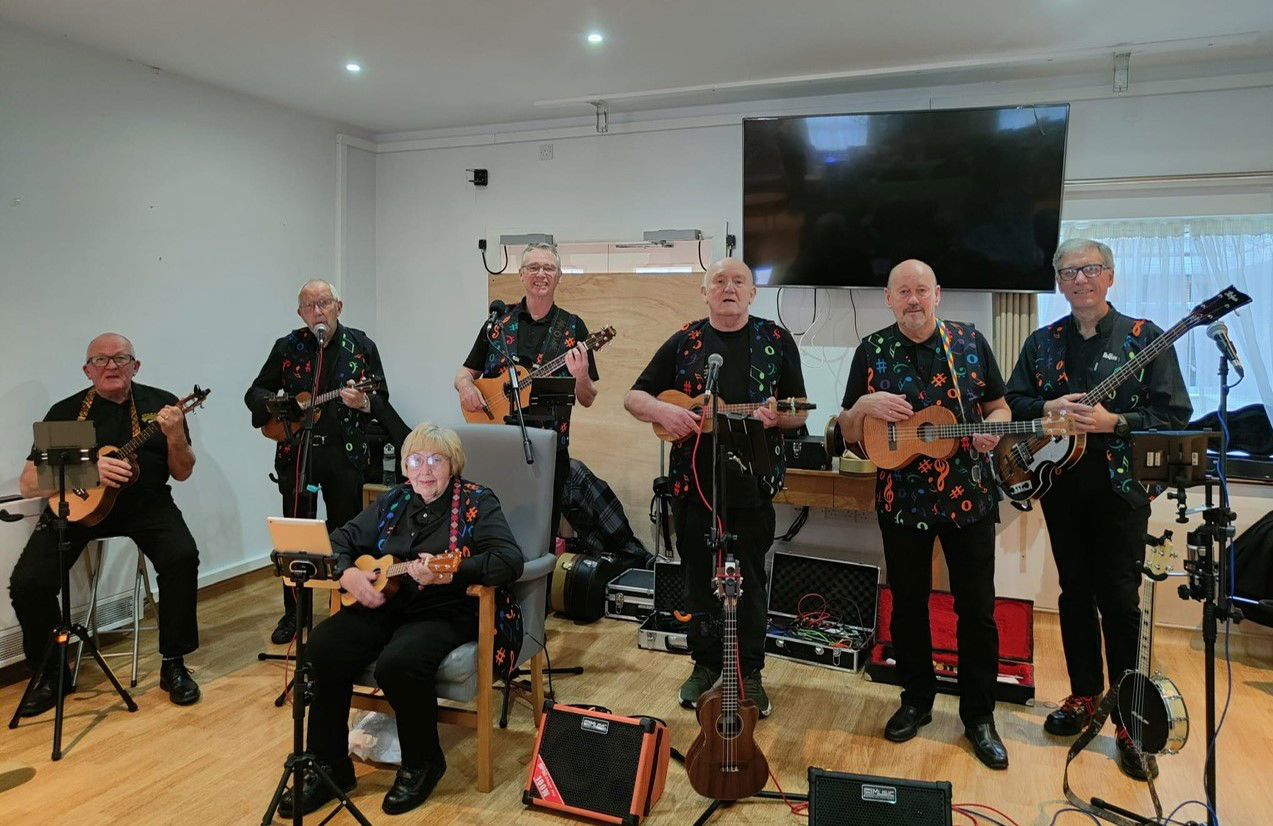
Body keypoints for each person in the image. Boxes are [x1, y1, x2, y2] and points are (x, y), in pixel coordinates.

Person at [1005, 238, 1191, 780]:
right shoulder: (1041, 343)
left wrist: (1117, 423)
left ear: (1110, 276)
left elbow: (1175, 415)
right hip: (1060, 489)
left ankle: (1130, 718)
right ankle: (1085, 694)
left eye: (1089, 269)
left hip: (1120, 494)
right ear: (1059, 282)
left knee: (1120, 602)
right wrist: (1047, 405)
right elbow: (1014, 400)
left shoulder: (1146, 339)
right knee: (1074, 595)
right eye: (1068, 272)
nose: (1079, 279)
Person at [279, 422, 522, 817]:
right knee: (322, 647)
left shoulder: (478, 501)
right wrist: (347, 573)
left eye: (435, 460)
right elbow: (340, 540)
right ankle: (330, 766)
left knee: (399, 662)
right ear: (405, 466)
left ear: (453, 464)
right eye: (415, 460)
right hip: (387, 604)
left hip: (445, 609)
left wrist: (454, 571)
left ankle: (423, 762)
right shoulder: (394, 500)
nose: (424, 470)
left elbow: (509, 560)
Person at [837, 259, 1010, 769]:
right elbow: (847, 430)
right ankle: (916, 700)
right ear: (889, 299)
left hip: (969, 499)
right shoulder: (871, 350)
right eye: (903, 292)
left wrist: (994, 428)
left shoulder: (969, 342)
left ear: (938, 294)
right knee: (907, 606)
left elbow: (1000, 407)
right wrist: (863, 406)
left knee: (976, 610)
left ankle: (979, 716)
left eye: (921, 290)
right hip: (902, 502)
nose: (913, 299)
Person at [624, 257, 807, 717]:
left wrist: (777, 418)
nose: (729, 288)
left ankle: (750, 673)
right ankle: (705, 666)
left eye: (738, 281)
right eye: (719, 281)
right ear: (705, 292)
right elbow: (634, 397)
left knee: (750, 582)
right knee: (698, 581)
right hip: (694, 487)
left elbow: (799, 411)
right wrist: (663, 412)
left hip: (752, 485)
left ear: (752, 293)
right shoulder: (684, 341)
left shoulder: (776, 340)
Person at [9, 333, 201, 714]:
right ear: (87, 370)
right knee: (28, 583)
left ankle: (173, 663)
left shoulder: (161, 406)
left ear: (136, 366)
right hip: (79, 511)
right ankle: (52, 673)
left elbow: (182, 472)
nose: (111, 366)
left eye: (121, 358)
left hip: (147, 504)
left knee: (182, 556)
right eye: (100, 360)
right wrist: (89, 471)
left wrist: (176, 436)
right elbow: (29, 482)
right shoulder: (68, 412)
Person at [456, 242, 646, 560]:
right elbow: (465, 372)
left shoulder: (572, 328)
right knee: (489, 526)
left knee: (540, 533)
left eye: (548, 268)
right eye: (533, 267)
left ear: (559, 276)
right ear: (521, 275)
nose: (540, 274)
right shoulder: (496, 325)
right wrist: (465, 387)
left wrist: (581, 375)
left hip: (547, 451)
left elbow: (587, 398)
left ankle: (537, 591)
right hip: (496, 444)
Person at [245, 279, 390, 644]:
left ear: (339, 306)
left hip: (345, 454)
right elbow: (256, 392)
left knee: (347, 530)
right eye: (309, 306)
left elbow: (381, 397)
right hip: (299, 452)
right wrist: (282, 407)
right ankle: (295, 612)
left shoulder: (361, 346)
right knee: (297, 536)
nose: (317, 311)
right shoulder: (287, 346)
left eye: (324, 303)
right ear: (300, 314)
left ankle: (347, 605)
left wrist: (364, 402)